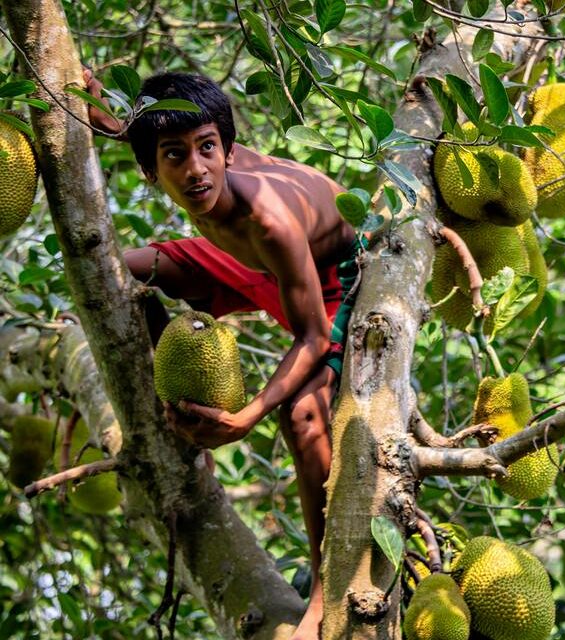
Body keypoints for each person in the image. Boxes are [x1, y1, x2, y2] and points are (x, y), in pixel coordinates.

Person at [84, 69, 359, 639]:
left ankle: (326, 589)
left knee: (304, 417)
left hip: (334, 280)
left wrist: (246, 416)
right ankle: (183, 416)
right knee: (115, 273)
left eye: (208, 149)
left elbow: (312, 337)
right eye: (174, 156)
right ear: (149, 167)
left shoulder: (268, 219)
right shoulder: (180, 155)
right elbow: (137, 125)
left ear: (228, 150)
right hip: (254, 269)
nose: (196, 168)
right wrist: (92, 102)